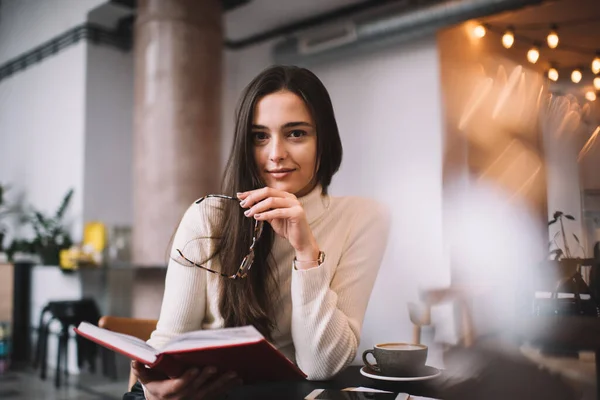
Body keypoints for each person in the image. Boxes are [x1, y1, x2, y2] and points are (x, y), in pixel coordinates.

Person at [126, 65, 390, 400]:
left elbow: (322, 366)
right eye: (259, 136)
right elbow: (166, 348)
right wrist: (155, 393)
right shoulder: (208, 216)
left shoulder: (363, 217)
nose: (276, 154)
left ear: (324, 139)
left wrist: (307, 253)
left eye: (296, 133)